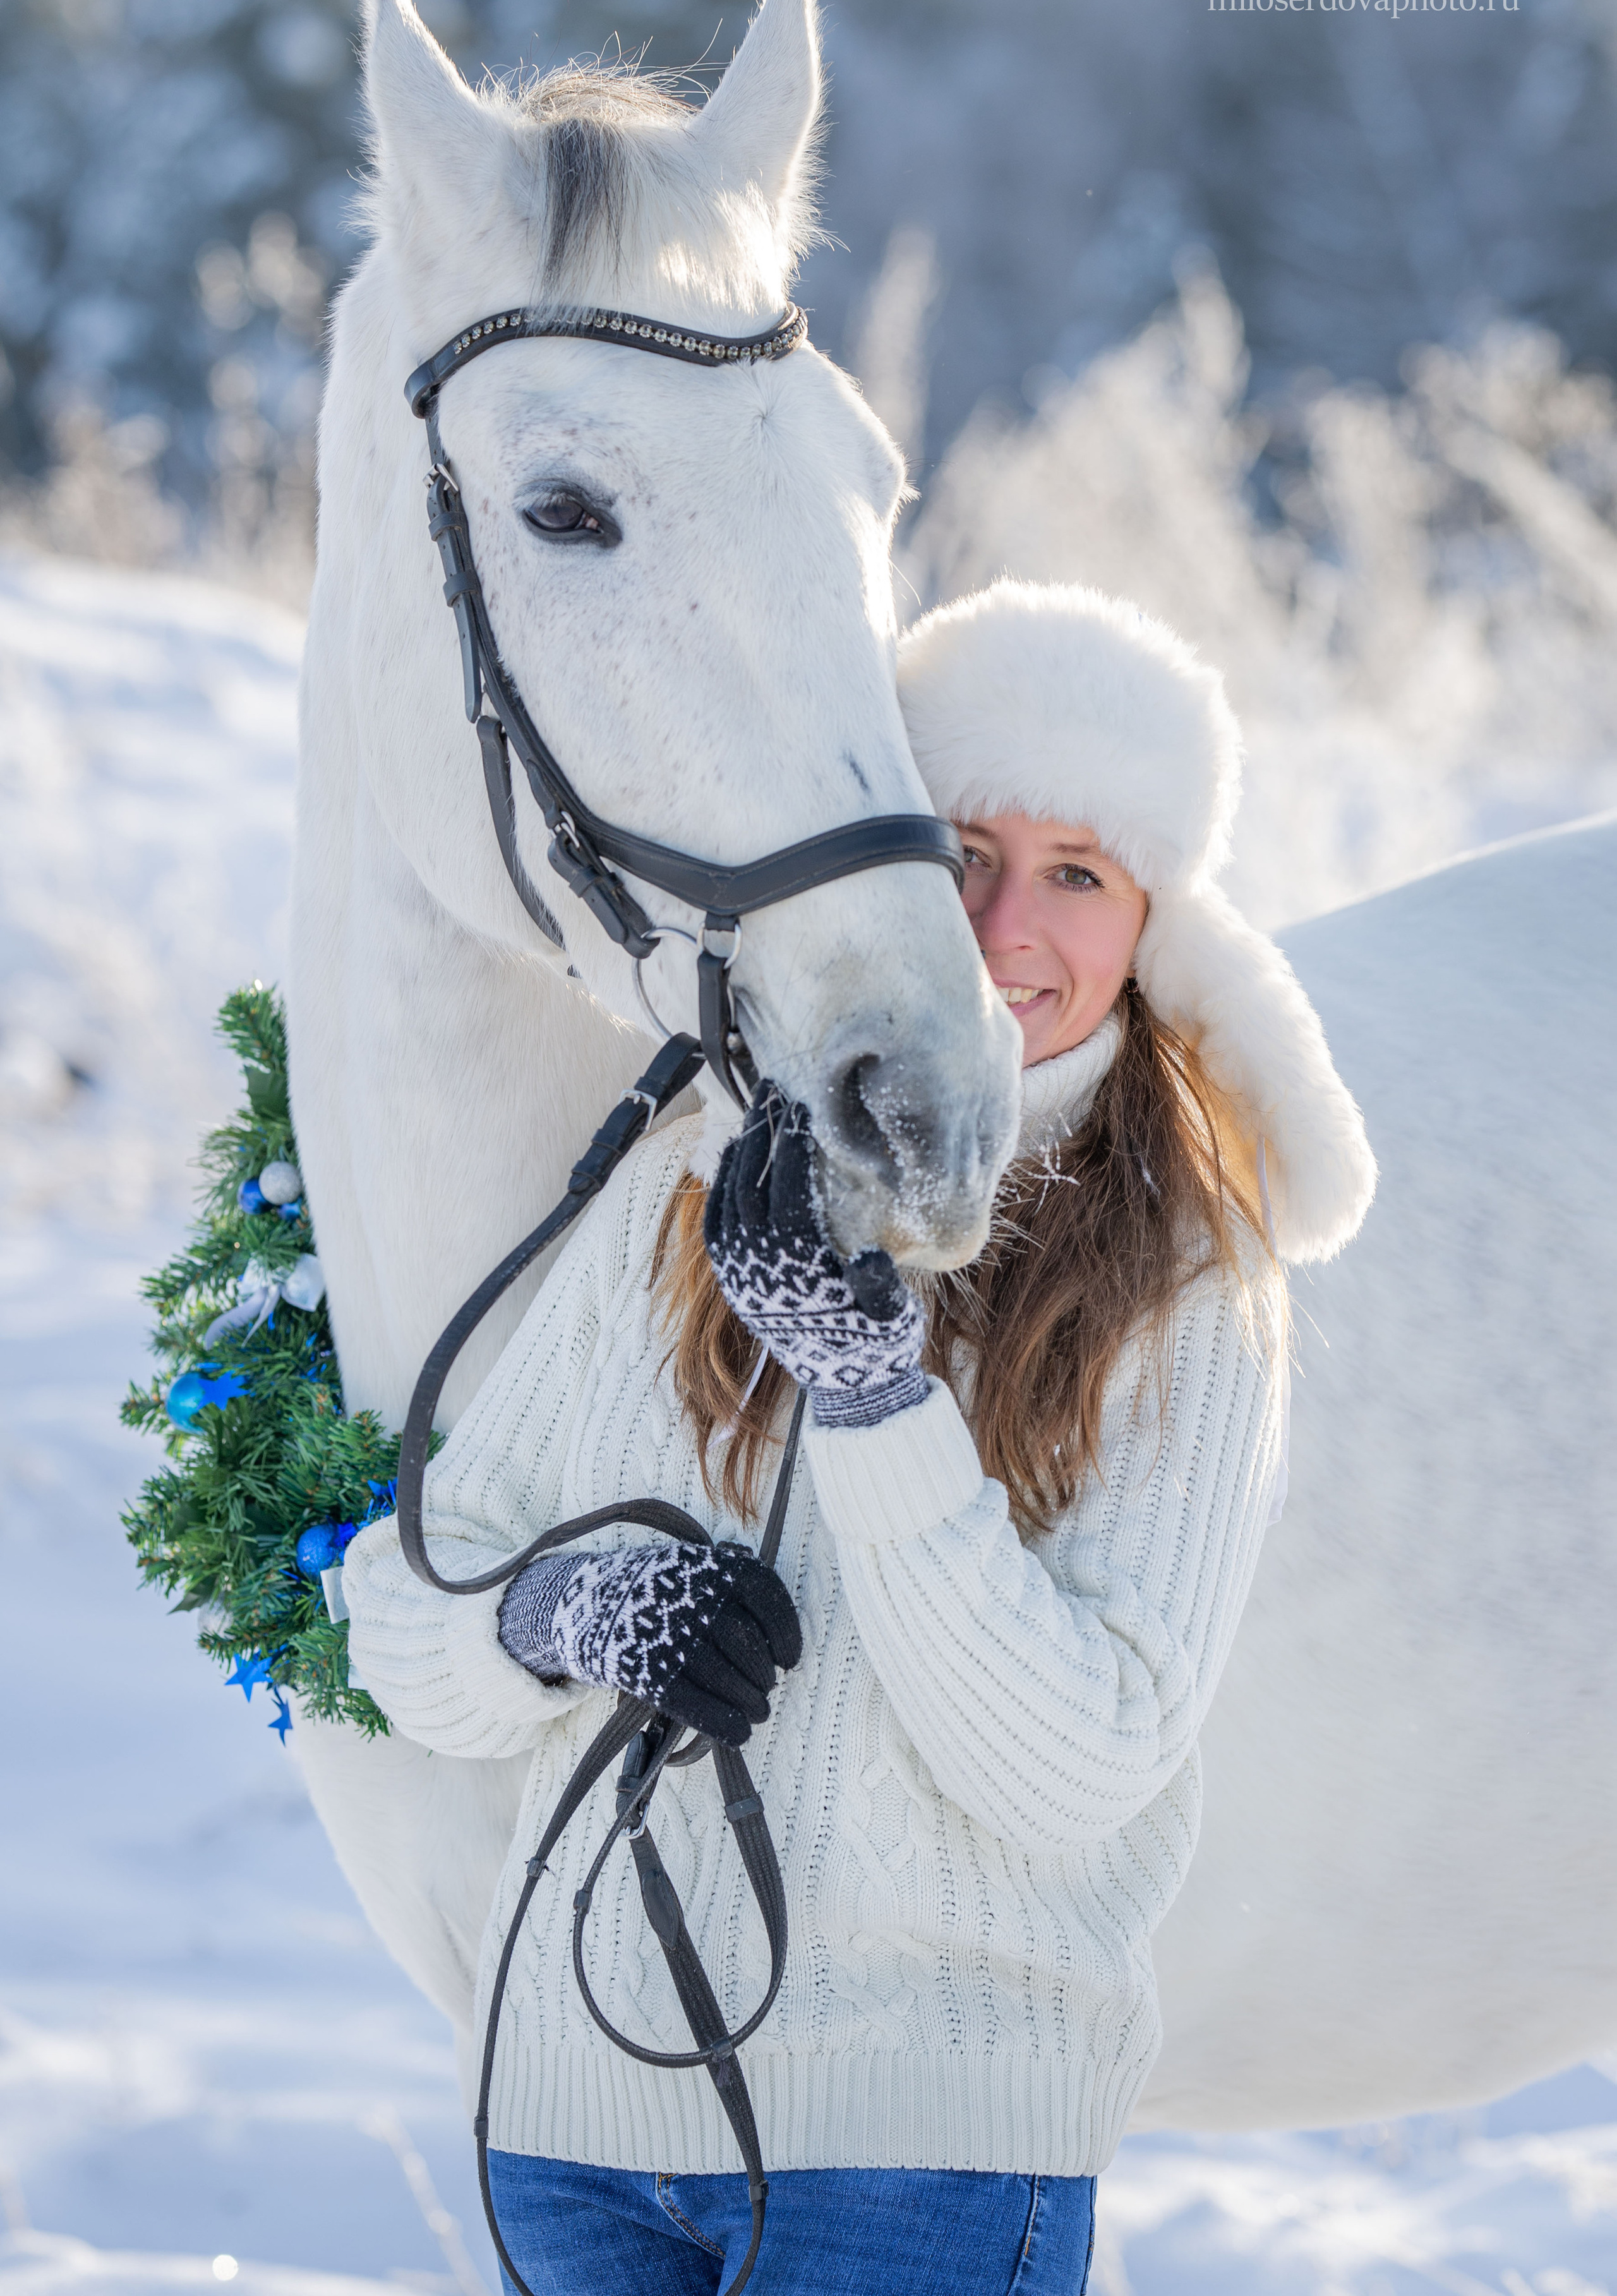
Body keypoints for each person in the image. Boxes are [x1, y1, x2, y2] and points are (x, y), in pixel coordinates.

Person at [344, 579, 1375, 2296]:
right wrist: (556, 1617)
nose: (1002, 927)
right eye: (965, 848)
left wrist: (875, 1396)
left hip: (916, 2167)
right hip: (575, 2133)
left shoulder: (1187, 1277)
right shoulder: (688, 1185)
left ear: (1152, 924)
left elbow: (1081, 1760)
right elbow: (405, 1607)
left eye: (1078, 876)